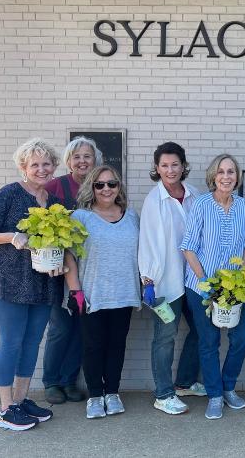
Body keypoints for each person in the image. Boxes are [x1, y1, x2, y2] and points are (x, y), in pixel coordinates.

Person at [0, 138, 65, 431]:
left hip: (42, 282)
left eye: (46, 163)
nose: (41, 169)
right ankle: (5, 409)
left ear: (54, 167)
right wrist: (11, 237)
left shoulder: (55, 203)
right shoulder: (8, 195)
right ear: (23, 167)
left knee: (31, 343)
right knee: (11, 343)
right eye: (35, 164)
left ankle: (21, 400)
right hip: (8, 281)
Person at [64, 165, 141, 419]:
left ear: (119, 187)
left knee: (117, 346)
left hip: (125, 292)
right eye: (100, 185)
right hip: (93, 294)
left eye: (112, 184)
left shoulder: (131, 216)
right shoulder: (81, 217)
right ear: (92, 188)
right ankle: (96, 396)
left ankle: (112, 393)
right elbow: (69, 256)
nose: (106, 189)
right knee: (93, 346)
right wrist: (76, 290)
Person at [180, 154, 245, 420]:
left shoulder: (244, 206)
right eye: (221, 172)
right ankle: (214, 395)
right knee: (209, 342)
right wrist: (205, 282)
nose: (226, 177)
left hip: (234, 289)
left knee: (242, 337)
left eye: (231, 172)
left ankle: (228, 386)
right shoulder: (201, 204)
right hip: (201, 286)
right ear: (213, 176)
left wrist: (243, 278)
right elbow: (188, 247)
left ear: (237, 176)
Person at [139, 142, 204, 415]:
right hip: (166, 282)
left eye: (174, 164)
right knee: (165, 337)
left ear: (183, 165)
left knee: (202, 331)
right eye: (164, 165)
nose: (170, 170)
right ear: (157, 168)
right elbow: (148, 242)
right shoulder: (153, 201)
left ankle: (184, 382)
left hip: (195, 278)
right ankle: (164, 394)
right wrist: (148, 281)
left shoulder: (196, 195)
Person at [42, 135, 102, 405]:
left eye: (87, 156)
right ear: (68, 161)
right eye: (76, 156)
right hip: (59, 270)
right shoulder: (56, 186)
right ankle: (51, 382)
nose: (82, 161)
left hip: (89, 270)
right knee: (61, 328)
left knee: (82, 329)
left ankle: (69, 381)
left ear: (95, 160)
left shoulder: (102, 186)